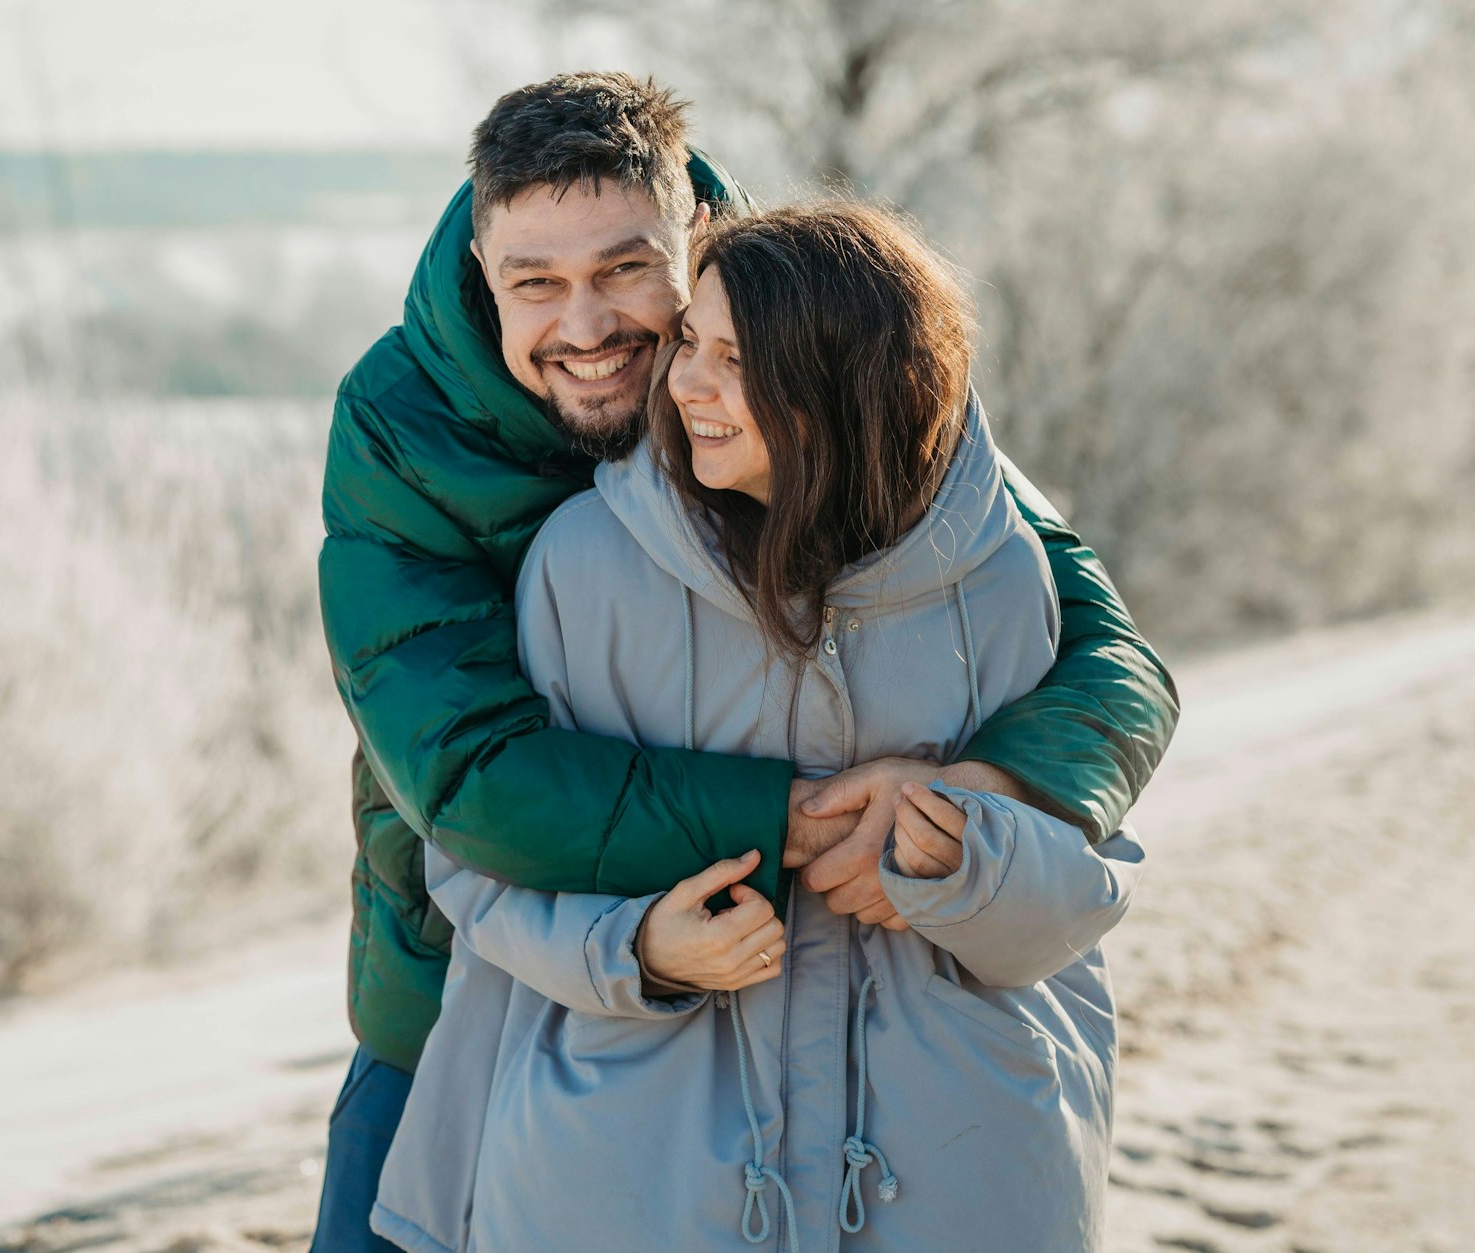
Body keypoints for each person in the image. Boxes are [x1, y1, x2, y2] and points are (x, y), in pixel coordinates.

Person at [313, 71, 1177, 1252]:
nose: (587, 328)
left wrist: (988, 792)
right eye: (535, 283)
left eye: (625, 271)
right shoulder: (401, 428)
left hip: (830, 1023)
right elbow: (467, 780)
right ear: (482, 268)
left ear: (697, 240)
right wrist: (796, 820)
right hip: (464, 978)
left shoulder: (820, 342)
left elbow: (1099, 645)